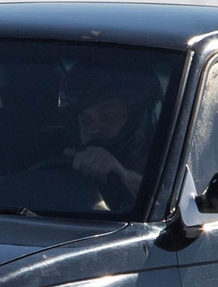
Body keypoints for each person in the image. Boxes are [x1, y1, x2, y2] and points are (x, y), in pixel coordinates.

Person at [65, 69, 156, 205]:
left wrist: (123, 175)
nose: (94, 129)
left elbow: (167, 200)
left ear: (135, 119)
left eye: (108, 117)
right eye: (85, 121)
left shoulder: (165, 158)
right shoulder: (62, 158)